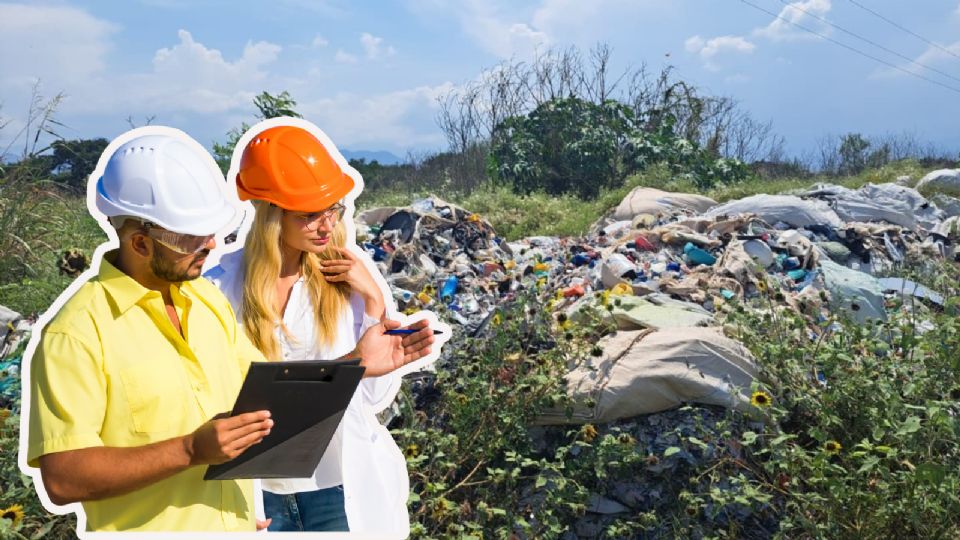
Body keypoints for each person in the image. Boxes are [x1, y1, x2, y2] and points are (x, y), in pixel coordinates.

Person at [24, 128, 430, 533]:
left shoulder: (206, 304)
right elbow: (63, 479)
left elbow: (271, 400)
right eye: (191, 237)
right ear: (140, 243)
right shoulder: (77, 335)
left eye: (211, 230)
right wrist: (189, 451)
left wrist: (356, 361)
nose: (211, 243)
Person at [205, 123, 430, 535]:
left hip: (338, 485)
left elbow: (374, 397)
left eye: (333, 210)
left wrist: (374, 303)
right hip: (258, 495)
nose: (327, 226)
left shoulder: (346, 279)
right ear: (271, 215)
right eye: (309, 216)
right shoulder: (218, 288)